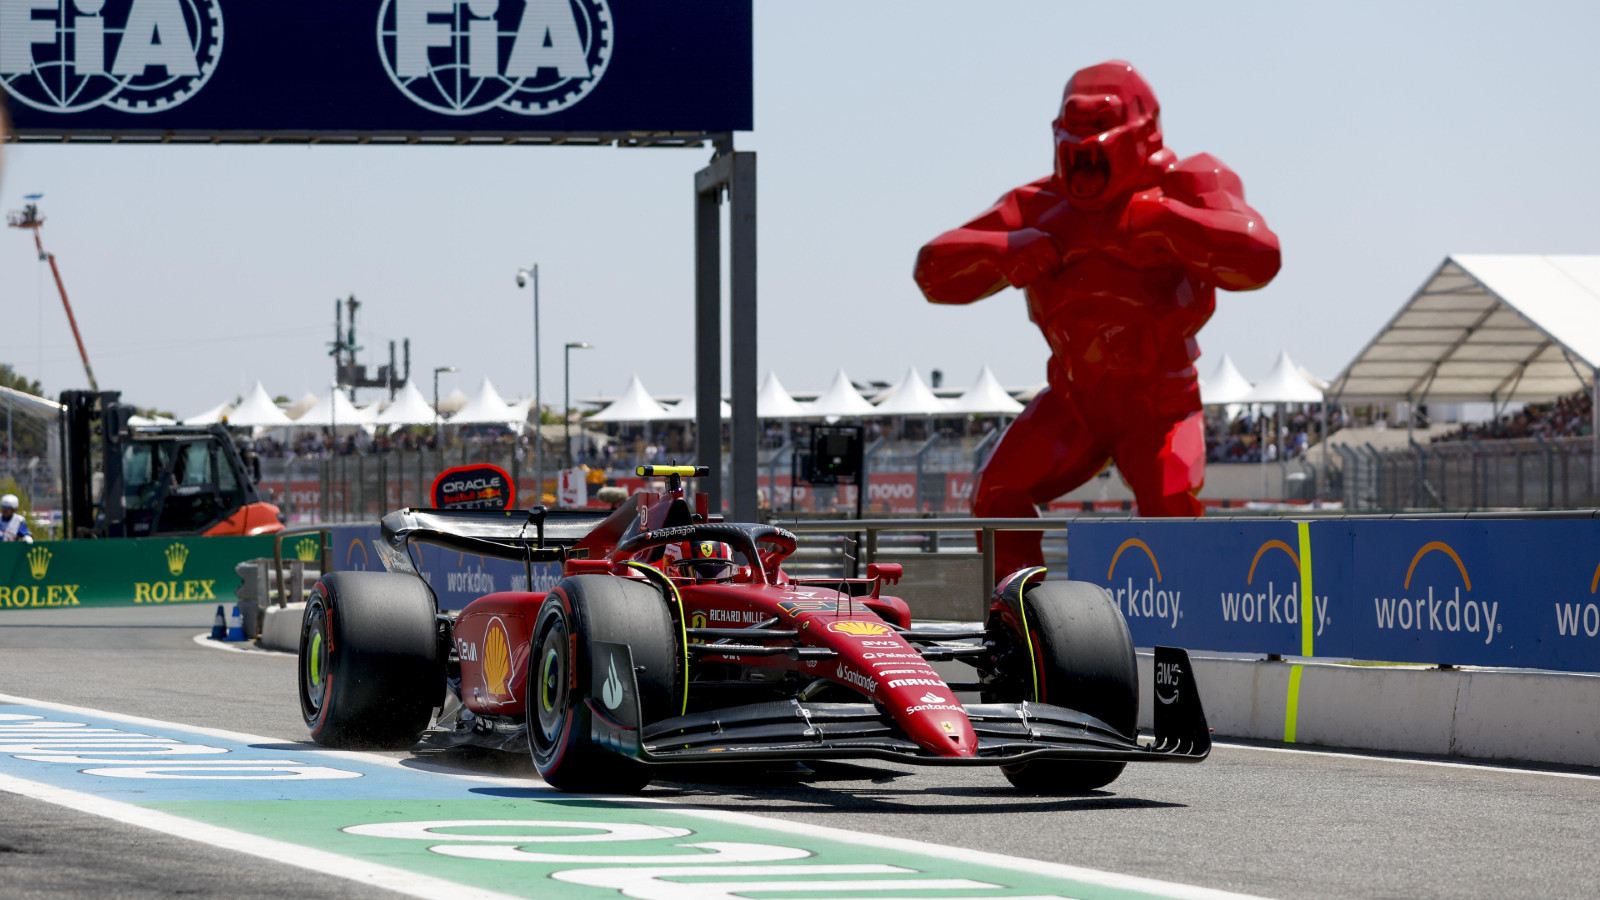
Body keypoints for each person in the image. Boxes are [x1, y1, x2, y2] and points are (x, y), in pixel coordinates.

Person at [914, 60, 1281, 580]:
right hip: (1074, 403)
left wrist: (1165, 223)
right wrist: (1004, 250)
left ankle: (1181, 638)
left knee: (1170, 506)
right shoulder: (1037, 207)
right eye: (1075, 135)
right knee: (998, 493)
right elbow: (932, 269)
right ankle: (1024, 626)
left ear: (1144, 133)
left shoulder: (1190, 183)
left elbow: (1260, 255)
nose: (1086, 150)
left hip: (1160, 403)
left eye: (1099, 131)